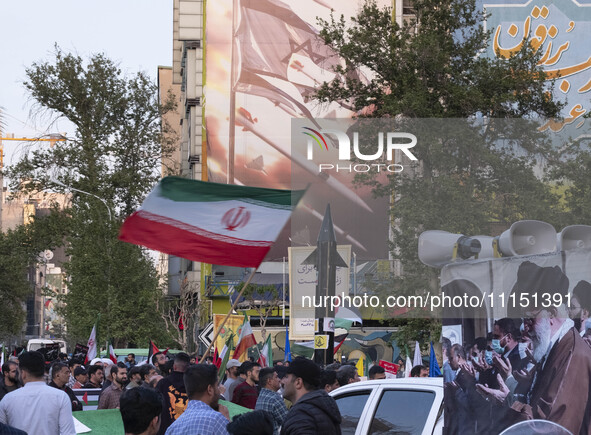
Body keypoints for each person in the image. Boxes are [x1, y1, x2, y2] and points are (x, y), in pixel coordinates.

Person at [478, 306, 591, 434]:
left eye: (530, 320)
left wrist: (508, 401)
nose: (527, 327)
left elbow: (549, 426)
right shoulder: (555, 346)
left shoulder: (571, 353)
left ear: (551, 314)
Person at [0, 351, 76, 435]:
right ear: (43, 371)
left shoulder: (7, 399)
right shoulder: (61, 397)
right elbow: (68, 433)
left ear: (23, 373)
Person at [280, 357, 341, 434]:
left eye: (286, 377)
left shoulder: (300, 416)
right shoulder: (324, 407)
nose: (282, 381)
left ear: (298, 382)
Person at [165, 364, 230, 435]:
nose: (219, 390)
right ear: (210, 390)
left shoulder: (172, 428)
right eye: (217, 386)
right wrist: (227, 421)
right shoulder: (217, 419)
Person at [156, 352, 190, 435]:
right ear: (188, 367)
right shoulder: (195, 384)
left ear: (174, 366)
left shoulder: (163, 384)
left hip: (166, 430)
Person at [255, 368, 288, 435]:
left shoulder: (261, 396)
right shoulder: (274, 398)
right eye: (276, 377)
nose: (279, 380)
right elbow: (288, 422)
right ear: (269, 381)